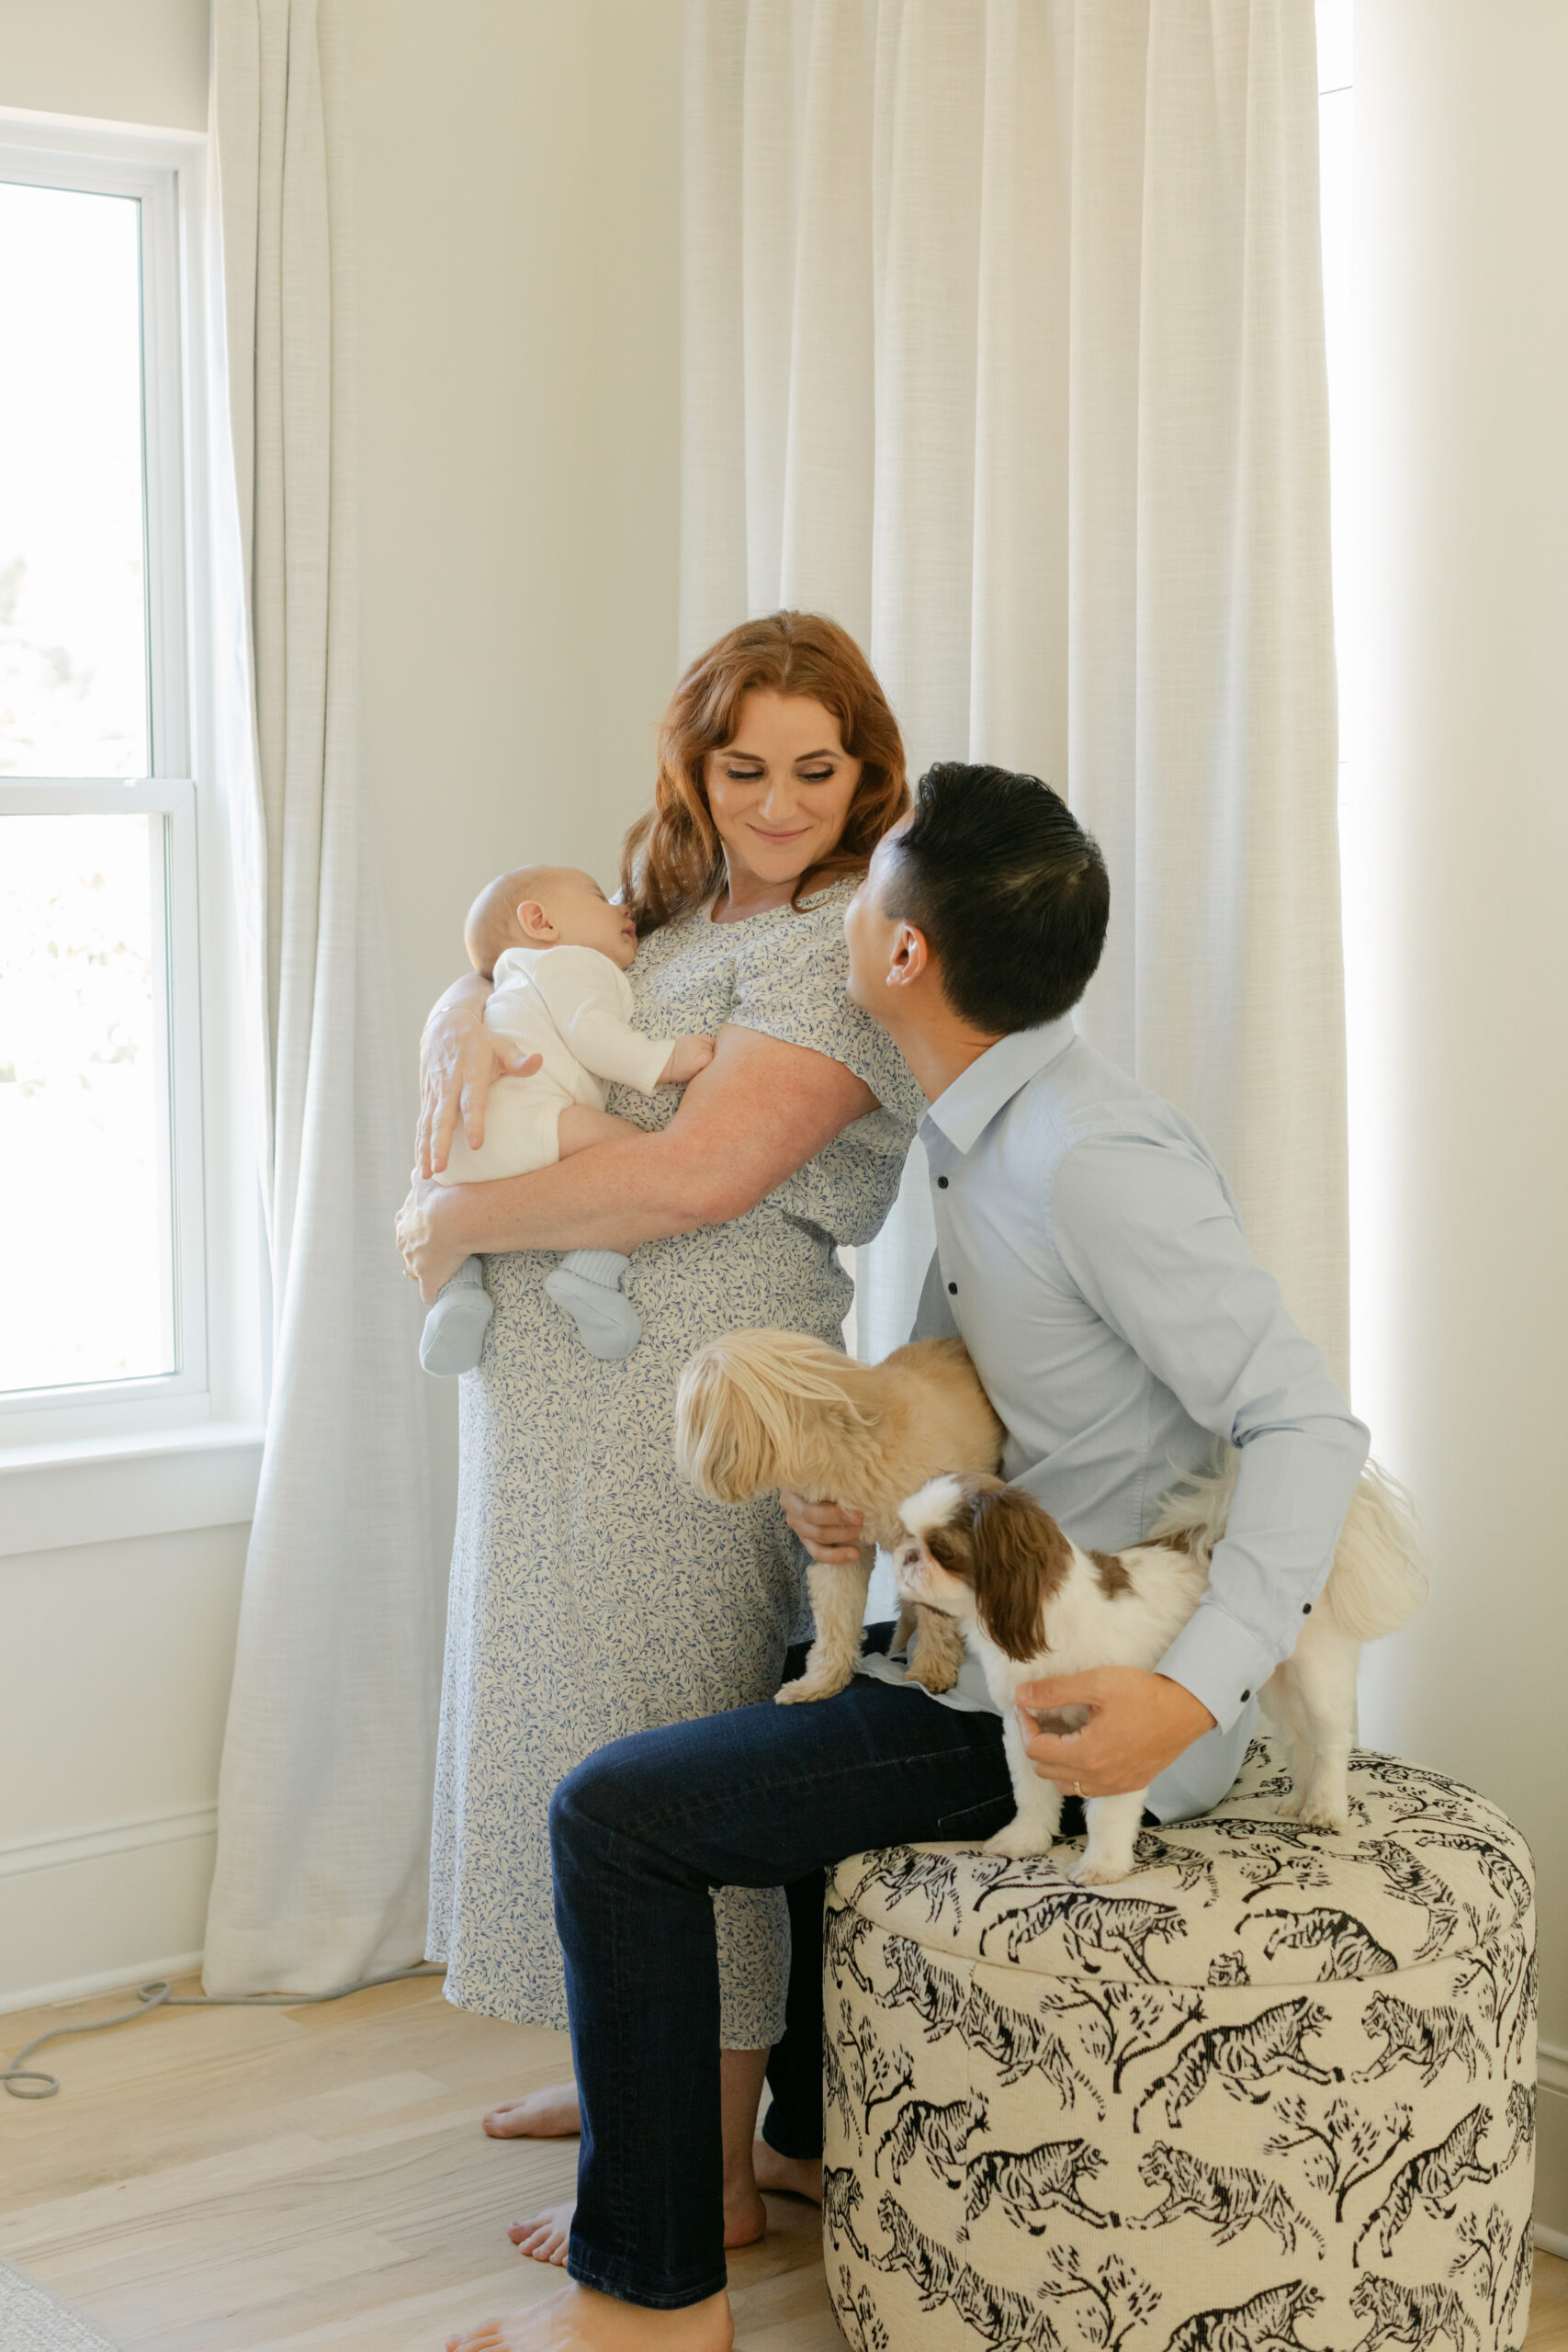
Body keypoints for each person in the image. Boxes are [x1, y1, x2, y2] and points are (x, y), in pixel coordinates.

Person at [440, 762, 1371, 2352]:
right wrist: (858, 1500)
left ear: (900, 959)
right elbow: (994, 1409)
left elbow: (1306, 1426)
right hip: (995, 1629)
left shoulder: (1090, 1156)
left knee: (618, 1818)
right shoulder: (983, 1131)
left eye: (865, 880)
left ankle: (650, 2303)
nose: (841, 904)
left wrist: (1188, 1701)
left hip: (1093, 1687)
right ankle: (799, 2140)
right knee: (761, 1709)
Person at [396, 612, 925, 2265]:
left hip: (704, 1389)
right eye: (741, 764)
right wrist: (448, 1038)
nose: (777, 800)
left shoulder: (845, 941)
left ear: (864, 773)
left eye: (813, 769)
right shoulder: (684, 910)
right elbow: (509, 982)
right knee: (566, 1715)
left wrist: (458, 1209)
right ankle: (623, 2067)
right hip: (559, 1395)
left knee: (669, 1738)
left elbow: (698, 1177)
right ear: (696, 767)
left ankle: (700, 2163)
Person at [419, 864, 716, 1373]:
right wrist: (663, 1060)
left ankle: (458, 1294)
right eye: (601, 898)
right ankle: (590, 1272)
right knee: (637, 1157)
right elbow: (592, 1035)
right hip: (531, 1119)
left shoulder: (514, 978)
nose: (623, 907)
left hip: (466, 1148)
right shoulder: (571, 963)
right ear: (539, 921)